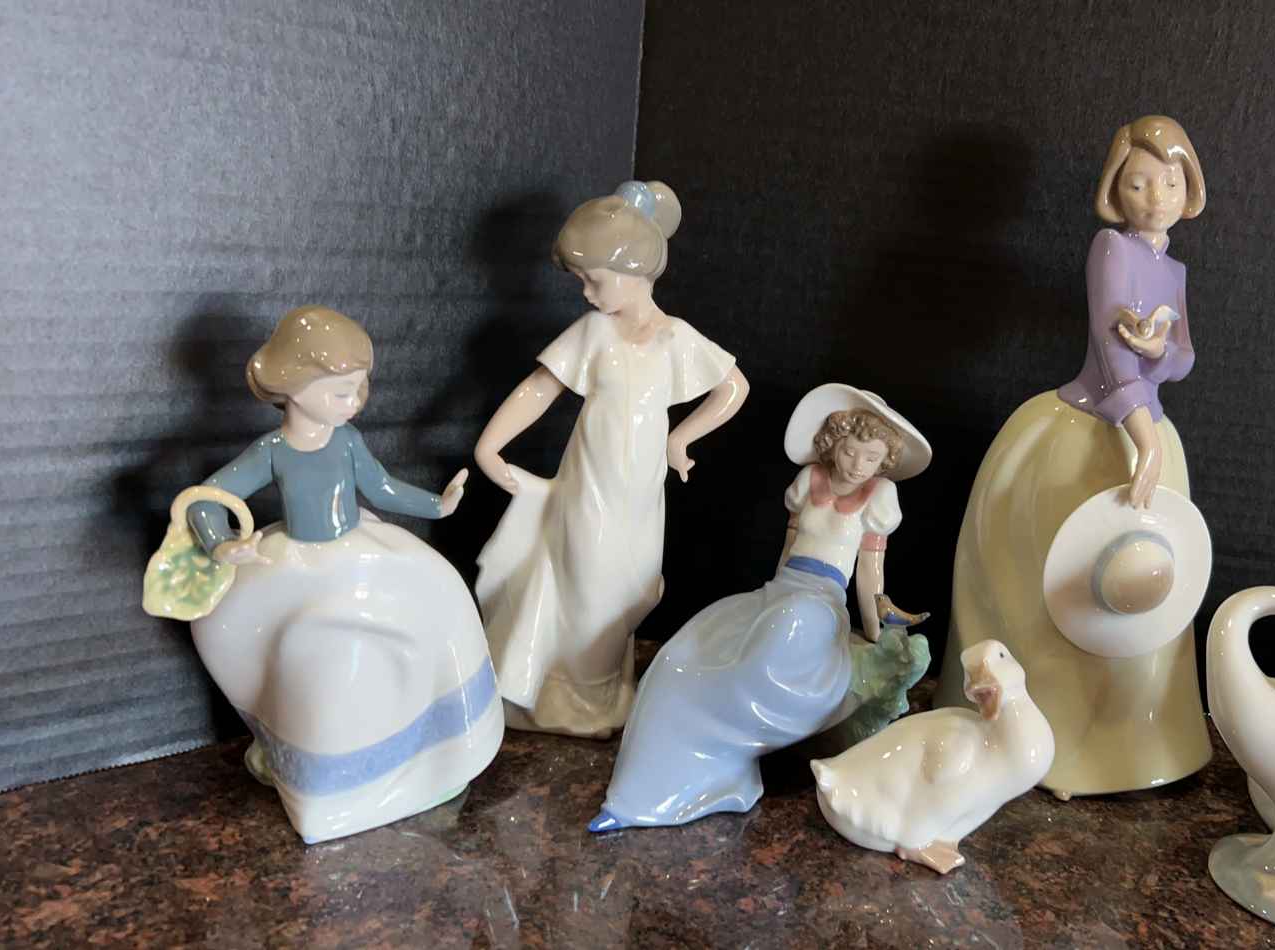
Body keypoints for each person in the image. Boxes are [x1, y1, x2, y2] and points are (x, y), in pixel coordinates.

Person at [936, 116, 1214, 796]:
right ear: (1114, 190)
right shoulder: (1109, 248)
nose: (1155, 198)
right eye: (1138, 183)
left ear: (1189, 191)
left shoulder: (1171, 267)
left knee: (1143, 592)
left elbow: (1182, 357)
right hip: (1100, 426)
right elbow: (1110, 351)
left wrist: (1161, 351)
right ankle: (1047, 743)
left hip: (1150, 431)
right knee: (1056, 587)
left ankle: (1130, 741)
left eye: (1170, 183)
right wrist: (1143, 436)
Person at [185, 305, 501, 843]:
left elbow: (380, 487)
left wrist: (438, 505)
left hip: (361, 553)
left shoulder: (347, 440)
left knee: (438, 602)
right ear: (293, 386)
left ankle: (432, 758)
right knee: (311, 653)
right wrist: (222, 544)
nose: (353, 403)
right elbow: (204, 499)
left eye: (358, 390)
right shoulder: (273, 450)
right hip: (297, 566)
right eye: (340, 392)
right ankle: (319, 778)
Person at [473, 181, 749, 739]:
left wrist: (681, 439)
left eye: (593, 280)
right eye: (581, 281)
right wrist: (489, 445)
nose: (586, 293)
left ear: (636, 269)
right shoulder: (594, 333)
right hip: (590, 485)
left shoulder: (675, 338)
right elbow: (541, 387)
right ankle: (572, 695)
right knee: (586, 580)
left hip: (641, 492)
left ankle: (598, 692)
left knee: (633, 588)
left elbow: (733, 388)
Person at [589, 383, 930, 831]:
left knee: (784, 629)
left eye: (870, 458)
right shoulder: (808, 481)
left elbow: (870, 574)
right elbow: (788, 550)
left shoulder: (878, 497)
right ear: (833, 444)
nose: (856, 465)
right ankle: (640, 793)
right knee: (684, 652)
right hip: (782, 590)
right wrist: (765, 599)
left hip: (821, 602)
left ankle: (727, 744)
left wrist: (872, 632)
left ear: (882, 463)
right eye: (850, 452)